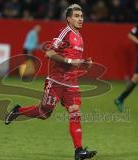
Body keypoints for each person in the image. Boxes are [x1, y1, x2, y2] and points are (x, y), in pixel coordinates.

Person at [5, 4, 97, 160]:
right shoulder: (64, 33)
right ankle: (17, 111)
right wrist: (70, 60)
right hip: (56, 81)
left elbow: (73, 60)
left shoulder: (80, 37)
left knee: (75, 112)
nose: (80, 19)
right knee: (44, 113)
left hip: (72, 83)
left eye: (81, 16)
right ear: (69, 19)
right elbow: (49, 52)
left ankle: (79, 151)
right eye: (76, 16)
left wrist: (83, 63)